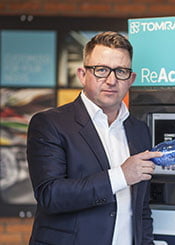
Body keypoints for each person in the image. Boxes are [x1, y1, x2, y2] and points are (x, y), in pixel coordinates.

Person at [26, 31, 162, 245]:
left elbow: (140, 209)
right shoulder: (50, 123)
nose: (111, 80)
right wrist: (120, 176)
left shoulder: (139, 130)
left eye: (121, 71)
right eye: (101, 70)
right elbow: (50, 196)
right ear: (82, 74)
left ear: (131, 79)